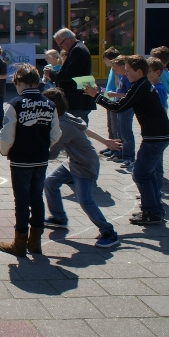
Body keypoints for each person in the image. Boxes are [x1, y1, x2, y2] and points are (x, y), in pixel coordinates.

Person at [84, 55, 169, 225]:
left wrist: (96, 96)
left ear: (139, 72)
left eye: (128, 71)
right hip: (157, 135)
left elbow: (118, 107)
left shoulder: (140, 86)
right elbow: (121, 104)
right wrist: (98, 94)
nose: (126, 74)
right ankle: (154, 210)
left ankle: (152, 212)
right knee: (147, 173)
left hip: (156, 137)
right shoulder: (141, 85)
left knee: (140, 174)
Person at [42, 88, 122, 248]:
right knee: (50, 182)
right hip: (73, 162)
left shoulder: (62, 126)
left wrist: (29, 152)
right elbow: (84, 128)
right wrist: (106, 141)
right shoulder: (65, 116)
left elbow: (52, 154)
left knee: (85, 200)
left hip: (85, 165)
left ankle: (109, 232)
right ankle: (59, 218)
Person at [0, 64, 61, 257]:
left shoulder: (14, 104)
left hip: (21, 159)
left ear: (19, 82)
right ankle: (35, 242)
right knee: (37, 198)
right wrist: (44, 146)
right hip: (40, 159)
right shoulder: (49, 104)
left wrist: (5, 150)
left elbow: (7, 134)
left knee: (22, 201)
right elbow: (56, 133)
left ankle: (19, 243)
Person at [44, 28, 96, 125]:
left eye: (61, 44)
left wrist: (50, 74)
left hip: (77, 99)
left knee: (77, 128)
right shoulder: (78, 48)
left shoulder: (77, 50)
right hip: (79, 98)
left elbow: (69, 74)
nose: (61, 47)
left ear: (68, 39)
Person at [106, 56, 135, 170]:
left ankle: (129, 157)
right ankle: (120, 153)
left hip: (126, 108)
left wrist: (115, 94)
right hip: (119, 107)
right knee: (119, 132)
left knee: (126, 133)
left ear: (123, 67)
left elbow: (129, 95)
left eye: (115, 67)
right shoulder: (123, 77)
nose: (113, 69)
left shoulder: (128, 78)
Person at [100, 47, 121, 156]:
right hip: (109, 99)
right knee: (110, 125)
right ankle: (111, 146)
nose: (104, 61)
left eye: (105, 59)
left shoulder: (117, 70)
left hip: (115, 100)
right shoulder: (112, 70)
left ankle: (117, 149)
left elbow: (118, 85)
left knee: (115, 126)